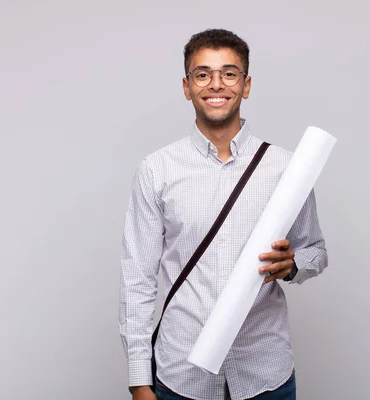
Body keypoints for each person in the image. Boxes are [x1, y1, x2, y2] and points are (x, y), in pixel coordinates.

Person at [119, 28, 328, 400]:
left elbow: (316, 250)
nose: (217, 84)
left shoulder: (286, 168)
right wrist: (138, 379)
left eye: (229, 73)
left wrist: (293, 265)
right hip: (180, 375)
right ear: (187, 87)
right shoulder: (157, 169)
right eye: (203, 74)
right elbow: (137, 278)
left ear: (246, 86)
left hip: (266, 373)